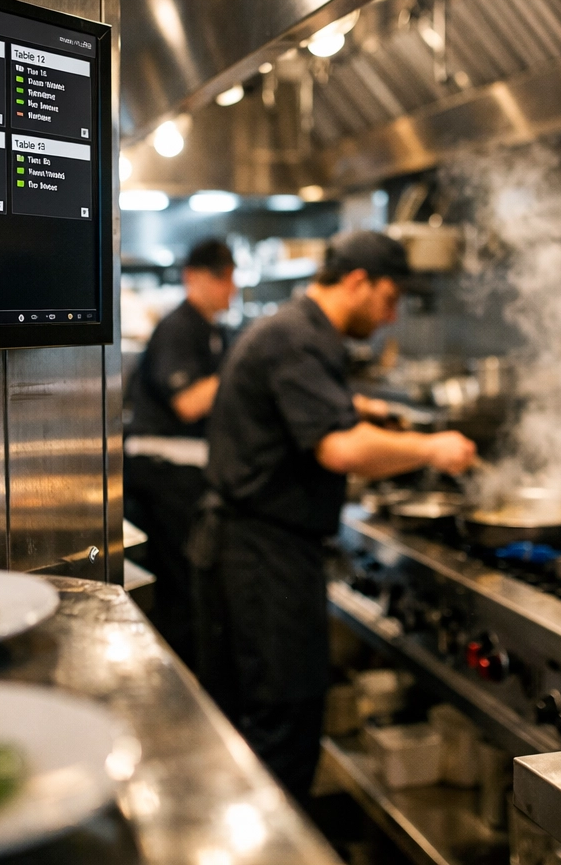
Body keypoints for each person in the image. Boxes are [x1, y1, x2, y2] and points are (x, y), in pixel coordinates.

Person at [195, 231, 477, 802]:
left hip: (248, 549)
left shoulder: (295, 330)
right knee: (284, 727)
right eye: (389, 299)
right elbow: (340, 450)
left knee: (262, 725)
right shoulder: (300, 340)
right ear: (356, 282)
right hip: (264, 558)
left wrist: (364, 409)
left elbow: (312, 413)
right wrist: (433, 448)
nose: (391, 316)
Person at [124, 238, 237, 667]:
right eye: (223, 278)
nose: (231, 288)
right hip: (163, 473)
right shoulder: (179, 326)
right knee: (180, 591)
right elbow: (188, 402)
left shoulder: (214, 332)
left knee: (193, 590)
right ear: (194, 277)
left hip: (188, 471)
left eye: (232, 277)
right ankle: (180, 681)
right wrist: (244, 368)